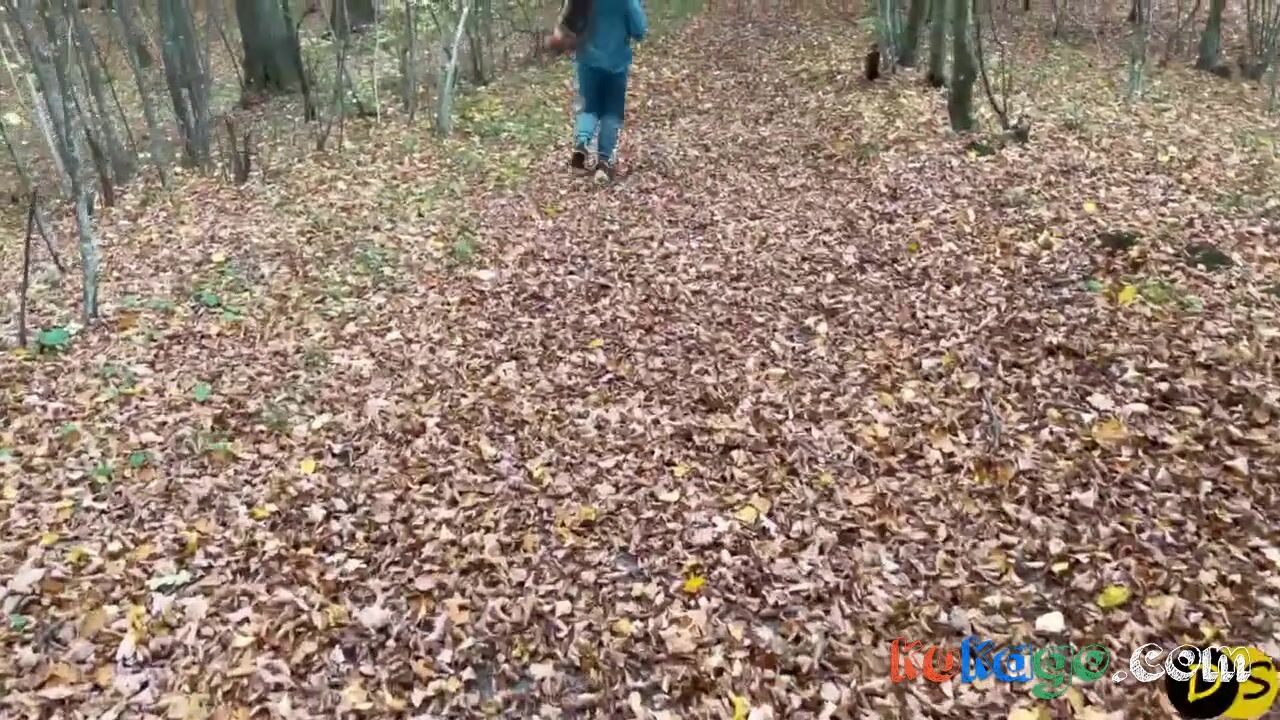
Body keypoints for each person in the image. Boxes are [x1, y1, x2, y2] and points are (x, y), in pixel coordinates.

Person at [552, 0, 647, 179]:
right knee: (612, 111)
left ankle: (580, 150)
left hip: (587, 60)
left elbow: (570, 22)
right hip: (616, 63)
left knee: (588, 107)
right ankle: (603, 163)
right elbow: (639, 30)